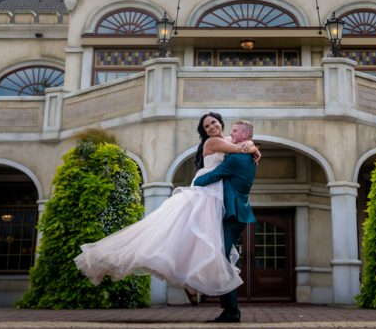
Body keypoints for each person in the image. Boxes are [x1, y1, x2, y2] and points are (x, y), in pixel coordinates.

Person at [73, 112, 260, 300]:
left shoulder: (227, 140)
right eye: (206, 127)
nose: (211, 127)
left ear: (220, 123)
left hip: (214, 193)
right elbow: (238, 149)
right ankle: (120, 258)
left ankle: (189, 278)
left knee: (194, 240)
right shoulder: (212, 142)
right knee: (176, 234)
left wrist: (251, 144)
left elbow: (242, 143)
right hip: (204, 190)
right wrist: (252, 148)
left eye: (213, 123)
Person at [192, 119, 257, 324]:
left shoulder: (236, 158)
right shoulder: (246, 154)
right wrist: (254, 147)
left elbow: (214, 175)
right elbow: (239, 145)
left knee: (221, 259)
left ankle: (231, 311)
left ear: (244, 135)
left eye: (236, 131)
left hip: (230, 213)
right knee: (223, 259)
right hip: (237, 213)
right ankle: (230, 310)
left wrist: (195, 183)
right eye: (206, 126)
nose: (232, 133)